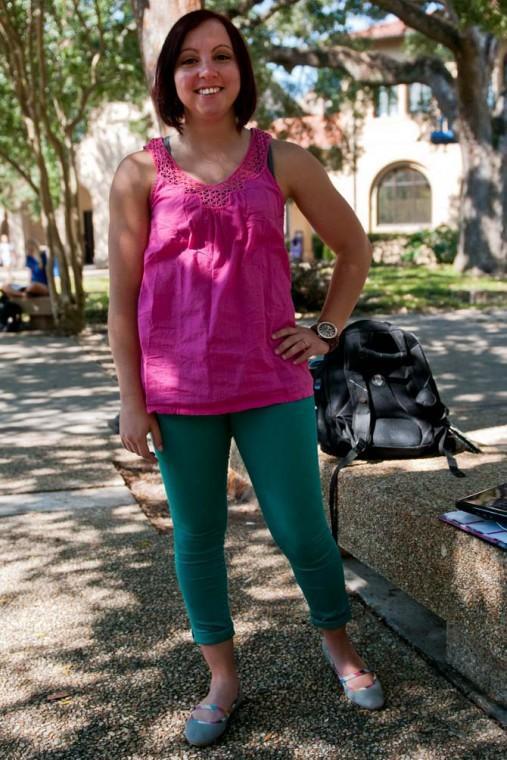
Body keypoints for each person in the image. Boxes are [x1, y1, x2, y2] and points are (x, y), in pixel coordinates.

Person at [108, 9, 384, 748]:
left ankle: (341, 649)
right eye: (190, 59)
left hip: (271, 379)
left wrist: (322, 329)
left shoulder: (283, 161)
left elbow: (353, 249)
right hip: (178, 389)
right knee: (196, 538)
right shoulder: (139, 171)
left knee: (300, 530)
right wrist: (132, 400)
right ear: (170, 77)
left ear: (240, 71)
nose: (207, 71)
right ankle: (223, 677)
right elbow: (123, 297)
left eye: (221, 56)